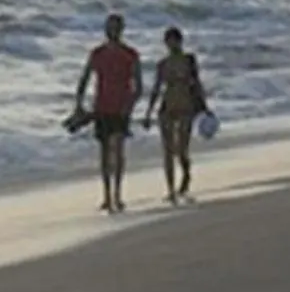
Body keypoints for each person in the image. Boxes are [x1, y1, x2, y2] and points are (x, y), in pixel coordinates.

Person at [75, 13, 142, 213]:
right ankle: (106, 195)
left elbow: (138, 86)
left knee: (118, 151)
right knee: (105, 153)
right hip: (101, 108)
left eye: (115, 27)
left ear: (121, 30)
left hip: (120, 109)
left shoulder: (130, 54)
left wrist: (129, 106)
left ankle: (117, 195)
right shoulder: (97, 53)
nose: (112, 31)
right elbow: (85, 78)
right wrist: (79, 103)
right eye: (109, 27)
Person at [144, 27, 208, 205]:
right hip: (167, 107)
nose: (171, 44)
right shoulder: (162, 64)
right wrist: (148, 113)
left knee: (182, 149)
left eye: (174, 40)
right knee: (167, 151)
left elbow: (197, 84)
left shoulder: (189, 60)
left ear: (180, 41)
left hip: (186, 106)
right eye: (168, 41)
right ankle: (171, 189)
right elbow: (156, 89)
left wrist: (204, 106)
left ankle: (186, 174)